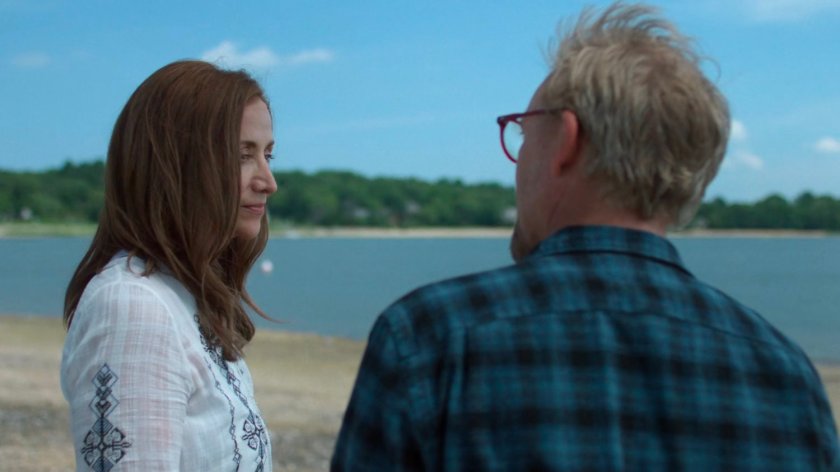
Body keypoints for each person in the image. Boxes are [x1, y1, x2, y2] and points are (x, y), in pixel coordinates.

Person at [331, 3, 839, 471]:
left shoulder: (429, 338)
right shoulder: (787, 375)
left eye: (524, 132)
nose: (517, 160)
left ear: (566, 142)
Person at [61, 60, 278, 471]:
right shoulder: (132, 307)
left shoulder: (179, 296)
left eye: (268, 155)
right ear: (177, 165)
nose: (268, 181)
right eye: (242, 155)